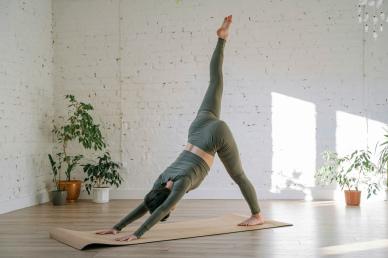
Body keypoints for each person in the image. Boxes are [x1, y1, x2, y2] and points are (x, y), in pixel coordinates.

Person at [96, 15, 264, 242]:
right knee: (215, 81)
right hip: (198, 128)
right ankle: (222, 39)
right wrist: (117, 227)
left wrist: (137, 234)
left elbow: (159, 210)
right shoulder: (162, 178)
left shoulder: (181, 185)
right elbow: (147, 204)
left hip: (216, 136)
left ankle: (257, 215)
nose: (171, 208)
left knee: (239, 175)